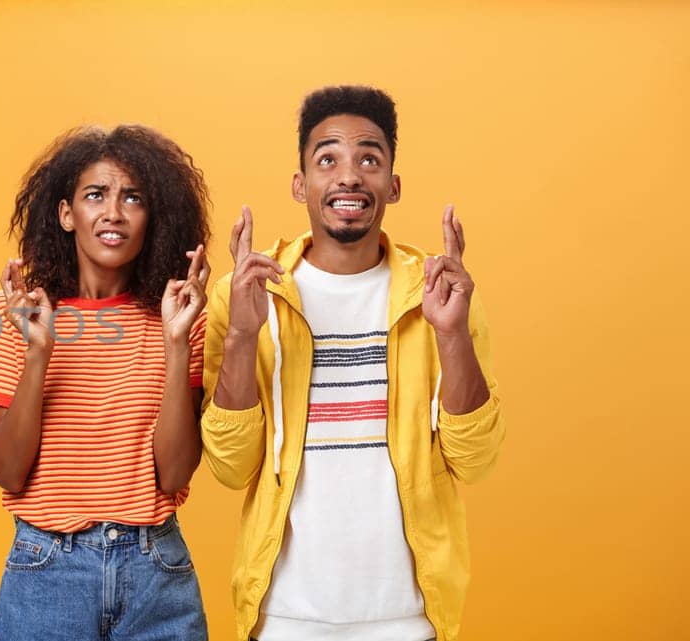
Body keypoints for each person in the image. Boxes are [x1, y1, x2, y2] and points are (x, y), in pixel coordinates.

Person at [199, 85, 505, 641]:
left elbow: (476, 461)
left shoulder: (438, 294)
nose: (348, 175)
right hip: (285, 617)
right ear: (300, 185)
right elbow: (231, 467)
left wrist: (453, 334)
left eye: (369, 157)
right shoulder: (245, 295)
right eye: (327, 159)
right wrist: (243, 334)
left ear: (392, 184)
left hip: (409, 617)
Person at [0, 123, 212, 641]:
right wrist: (39, 353)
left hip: (157, 574)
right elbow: (8, 472)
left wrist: (175, 343)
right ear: (65, 213)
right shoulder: (14, 313)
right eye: (96, 195)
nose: (114, 213)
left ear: (153, 217)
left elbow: (173, 475)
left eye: (133, 198)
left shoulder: (179, 316)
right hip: (48, 570)